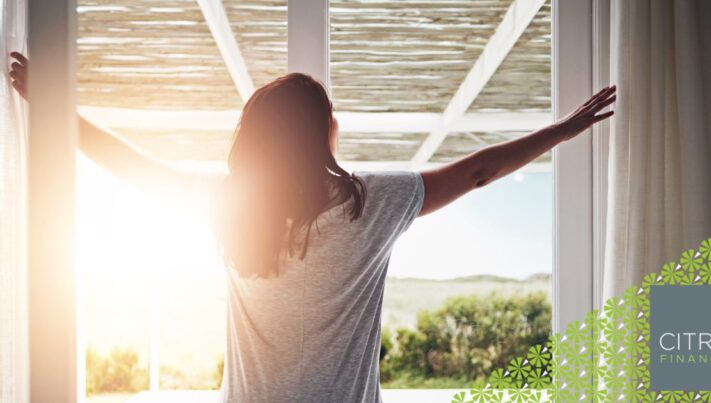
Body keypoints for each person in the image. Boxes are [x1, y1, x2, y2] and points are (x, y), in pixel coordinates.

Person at [9, 51, 615, 402]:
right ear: (326, 126)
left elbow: (131, 166)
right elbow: (480, 172)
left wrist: (55, 101)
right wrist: (561, 130)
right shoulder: (373, 201)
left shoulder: (229, 204)